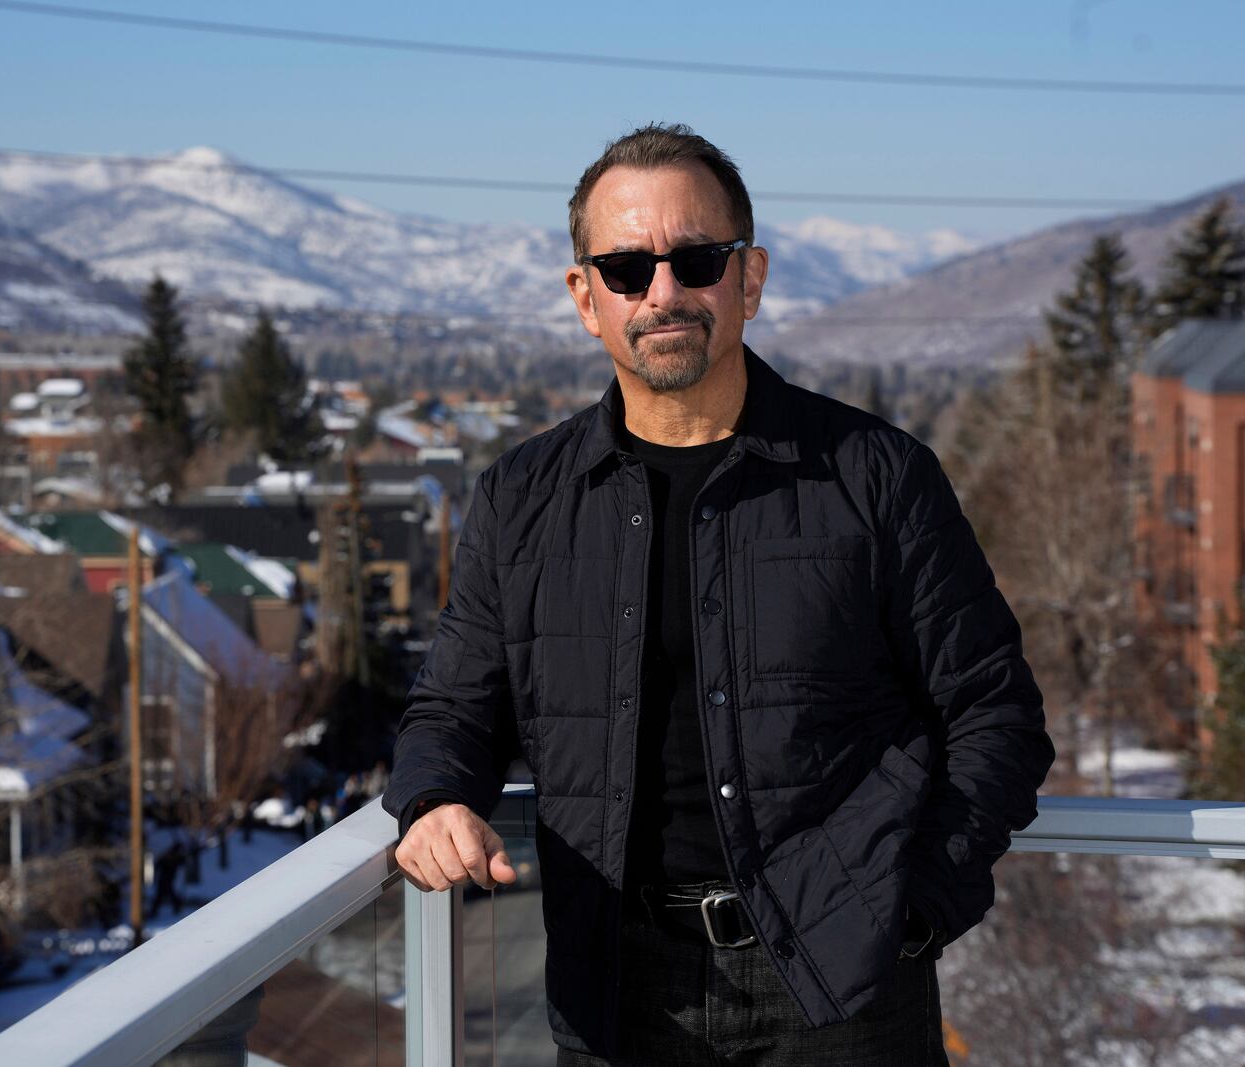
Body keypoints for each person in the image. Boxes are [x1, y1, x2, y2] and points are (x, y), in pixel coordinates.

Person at [381, 123, 1055, 1064]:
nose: (663, 294)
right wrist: (435, 800)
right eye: (625, 268)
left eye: (696, 260)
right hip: (616, 991)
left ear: (750, 278)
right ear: (586, 297)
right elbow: (453, 705)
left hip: (844, 988)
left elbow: (994, 715)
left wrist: (914, 912)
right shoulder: (523, 499)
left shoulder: (875, 477)